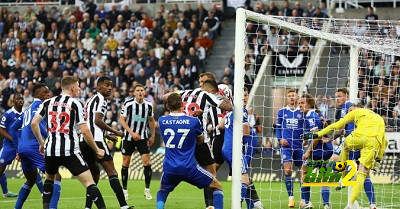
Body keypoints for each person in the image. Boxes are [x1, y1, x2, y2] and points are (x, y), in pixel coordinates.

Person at [31, 76, 106, 209]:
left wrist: (42, 143)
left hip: (51, 150)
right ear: (72, 87)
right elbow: (85, 131)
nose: (79, 88)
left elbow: (34, 123)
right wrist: (96, 149)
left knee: (49, 179)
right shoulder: (75, 104)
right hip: (69, 151)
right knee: (90, 183)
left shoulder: (48, 102)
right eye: (78, 86)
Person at [302, 104, 388, 209]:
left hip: (356, 139)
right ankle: (359, 203)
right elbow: (384, 141)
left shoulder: (355, 113)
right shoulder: (377, 117)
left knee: (338, 156)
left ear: (357, 108)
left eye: (351, 110)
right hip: (373, 143)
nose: (349, 112)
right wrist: (377, 161)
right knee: (363, 173)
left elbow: (336, 126)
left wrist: (315, 135)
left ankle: (344, 176)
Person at [163, 79, 232, 209]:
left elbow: (165, 97)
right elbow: (228, 107)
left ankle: (160, 201)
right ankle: (210, 205)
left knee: (171, 175)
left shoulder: (185, 92)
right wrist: (223, 96)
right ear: (212, 89)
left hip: (182, 138)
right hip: (199, 139)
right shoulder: (208, 95)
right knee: (211, 173)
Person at [80, 77, 133, 209]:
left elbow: (90, 122)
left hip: (84, 140)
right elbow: (97, 121)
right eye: (106, 85)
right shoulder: (102, 99)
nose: (110, 88)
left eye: (111, 85)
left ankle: (87, 207)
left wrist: (107, 135)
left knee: (94, 176)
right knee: (112, 172)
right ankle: (123, 206)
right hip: (96, 140)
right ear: (99, 87)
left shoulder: (90, 100)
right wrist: (115, 131)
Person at [10, 85, 62, 209]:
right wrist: (50, 136)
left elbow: (13, 128)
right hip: (34, 146)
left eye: (49, 92)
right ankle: (52, 207)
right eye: (45, 92)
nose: (49, 94)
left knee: (31, 179)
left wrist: (18, 149)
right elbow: (36, 124)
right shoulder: (41, 106)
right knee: (56, 176)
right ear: (37, 95)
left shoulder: (27, 109)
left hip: (23, 147)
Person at [332, 88, 376, 208]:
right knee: (364, 174)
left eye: (340, 96)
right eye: (336, 97)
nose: (337, 99)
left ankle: (345, 179)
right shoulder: (342, 109)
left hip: (355, 142)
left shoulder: (349, 106)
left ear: (347, 96)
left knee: (335, 159)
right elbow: (343, 127)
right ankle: (370, 203)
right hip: (358, 142)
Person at [218, 87, 257, 207]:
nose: (244, 97)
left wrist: (231, 130)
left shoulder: (230, 113)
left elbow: (220, 126)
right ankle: (237, 205)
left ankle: (251, 205)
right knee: (244, 178)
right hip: (235, 150)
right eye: (242, 95)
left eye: (246, 95)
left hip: (226, 149)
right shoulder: (242, 111)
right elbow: (246, 132)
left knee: (243, 178)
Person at [120, 83, 156, 200]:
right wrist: (131, 133)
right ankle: (124, 190)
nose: (140, 92)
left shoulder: (149, 105)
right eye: (138, 90)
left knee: (147, 163)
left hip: (143, 137)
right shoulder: (128, 104)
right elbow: (122, 120)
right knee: (126, 163)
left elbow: (151, 121)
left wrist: (152, 136)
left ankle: (147, 190)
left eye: (142, 90)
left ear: (144, 92)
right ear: (134, 93)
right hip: (129, 137)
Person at [298, 94, 333, 209]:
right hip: (326, 150)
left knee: (304, 173)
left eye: (302, 103)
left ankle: (307, 203)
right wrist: (306, 139)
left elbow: (317, 136)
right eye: (299, 103)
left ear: (309, 104)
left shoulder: (311, 115)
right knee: (324, 176)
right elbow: (318, 132)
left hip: (317, 151)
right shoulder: (318, 114)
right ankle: (326, 205)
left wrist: (308, 151)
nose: (300, 106)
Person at [276, 89, 304, 208]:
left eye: (294, 95)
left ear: (297, 97)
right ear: (287, 98)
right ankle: (291, 198)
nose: (292, 97)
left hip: (299, 146)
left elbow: (307, 127)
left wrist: (306, 138)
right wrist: (280, 139)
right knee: (287, 170)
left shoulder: (302, 112)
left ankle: (304, 199)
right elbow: (277, 128)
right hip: (286, 146)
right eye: (290, 96)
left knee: (304, 172)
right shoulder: (282, 112)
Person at [0, 93, 24, 198]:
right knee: (1, 168)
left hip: (22, 145)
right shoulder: (8, 114)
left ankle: (43, 192)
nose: (21, 100)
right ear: (13, 101)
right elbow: (1, 129)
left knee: (31, 168)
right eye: (18, 99)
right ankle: (5, 192)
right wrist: (13, 138)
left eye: (21, 98)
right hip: (9, 146)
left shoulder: (26, 113)